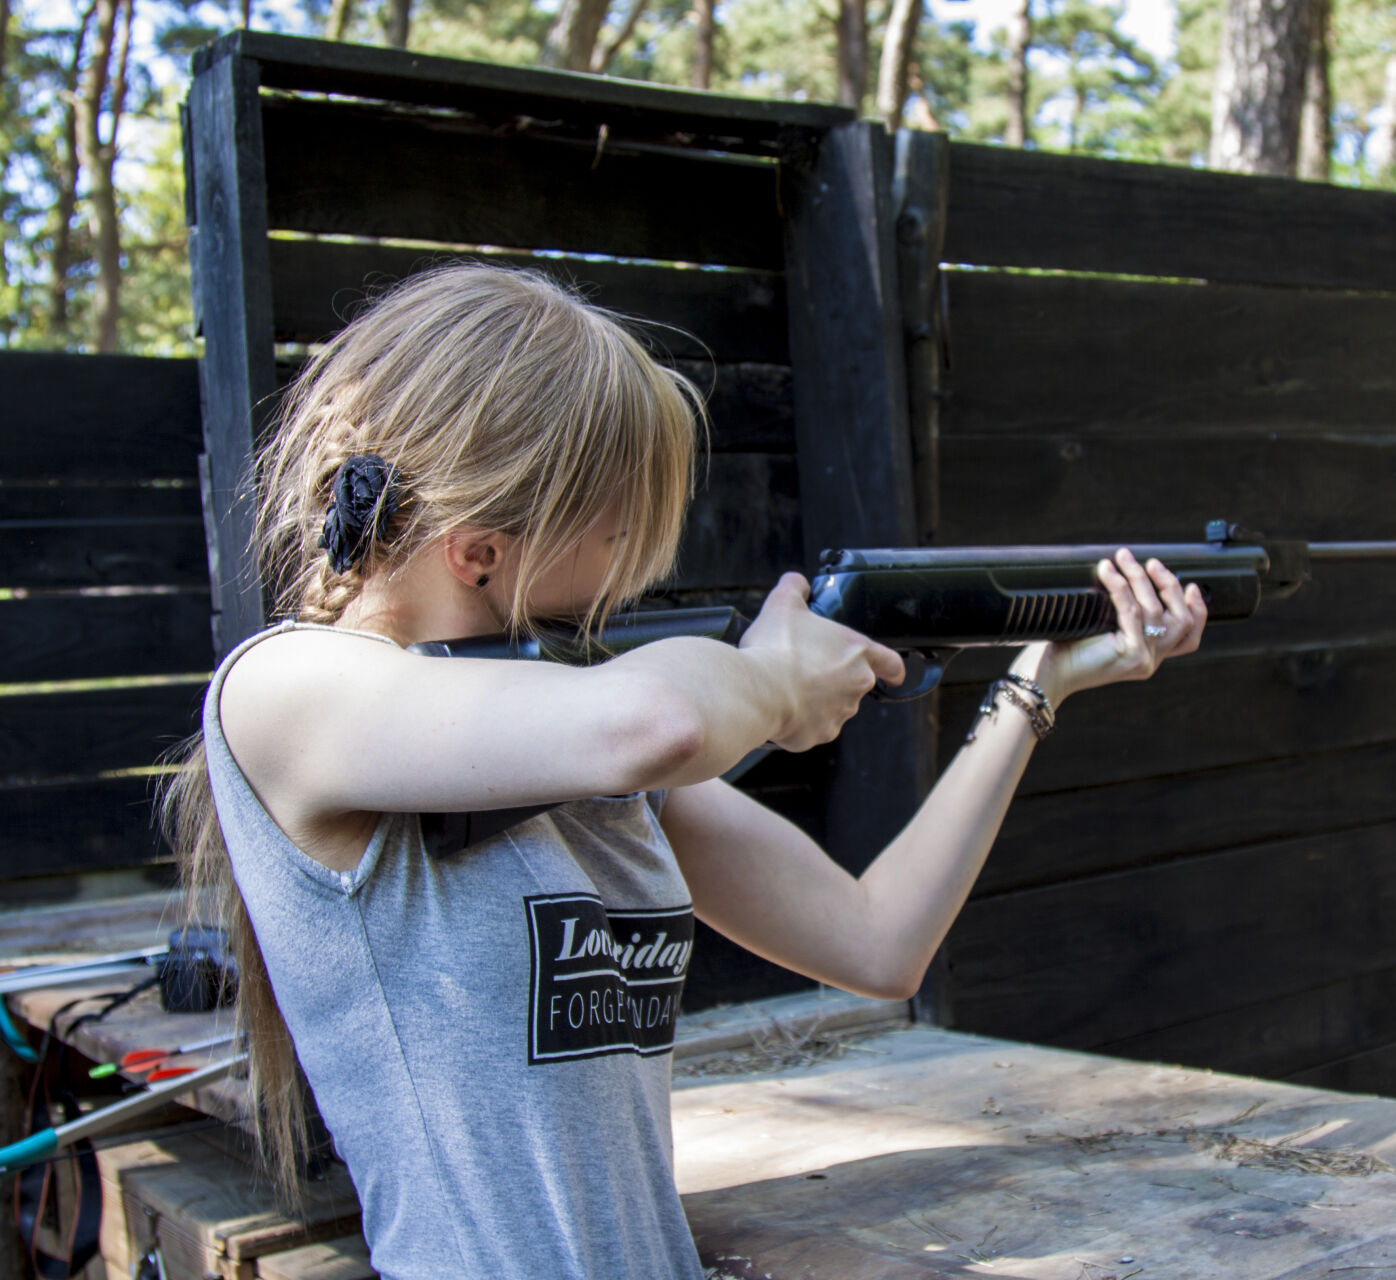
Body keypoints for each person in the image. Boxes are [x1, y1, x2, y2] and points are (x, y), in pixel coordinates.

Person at [163, 263, 1206, 1279]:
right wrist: (772, 682)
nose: (639, 563)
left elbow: (879, 940)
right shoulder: (282, 691)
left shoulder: (592, 759)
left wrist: (1036, 685)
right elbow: (659, 718)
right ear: (480, 551)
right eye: (620, 524)